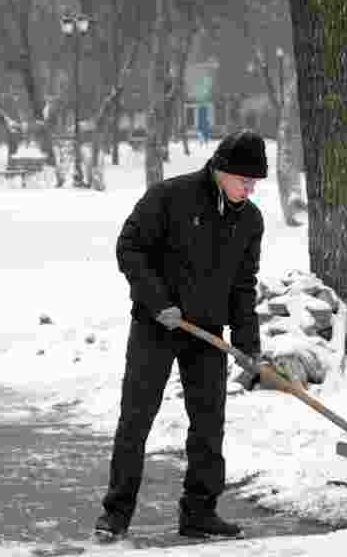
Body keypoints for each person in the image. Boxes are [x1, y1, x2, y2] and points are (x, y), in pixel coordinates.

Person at [96, 130, 267, 540]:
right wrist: (158, 302)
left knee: (209, 424)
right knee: (136, 419)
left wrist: (248, 347)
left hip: (206, 333)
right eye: (244, 179)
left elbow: (244, 285)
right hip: (156, 326)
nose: (250, 188)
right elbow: (129, 248)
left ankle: (199, 513)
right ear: (221, 170)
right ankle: (115, 515)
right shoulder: (170, 197)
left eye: (255, 182)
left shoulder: (250, 220)